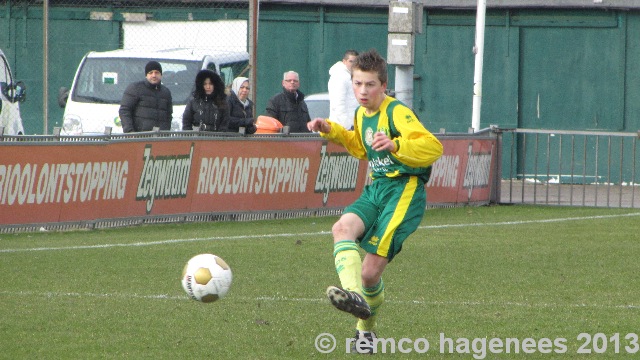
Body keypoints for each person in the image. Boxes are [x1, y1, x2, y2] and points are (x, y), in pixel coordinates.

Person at [307, 49, 443, 354]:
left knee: (370, 272)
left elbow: (433, 147)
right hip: (377, 187)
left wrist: (396, 144)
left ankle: (364, 331)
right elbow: (361, 148)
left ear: (383, 86)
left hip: (404, 191)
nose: (363, 91)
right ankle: (354, 297)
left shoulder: (396, 112)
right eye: (357, 84)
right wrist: (333, 131)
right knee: (342, 229)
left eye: (370, 85)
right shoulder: (360, 113)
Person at [119, 61, 173, 133]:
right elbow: (124, 111)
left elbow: (169, 115)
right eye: (150, 73)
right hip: (140, 137)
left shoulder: (166, 92)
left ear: (161, 75)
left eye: (157, 72)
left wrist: (166, 131)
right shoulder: (135, 88)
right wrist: (130, 132)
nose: (154, 75)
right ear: (146, 75)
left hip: (161, 138)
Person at [328, 50, 359, 130]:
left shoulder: (351, 76)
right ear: (344, 61)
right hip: (344, 127)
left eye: (356, 62)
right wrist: (347, 126)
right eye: (351, 61)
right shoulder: (340, 76)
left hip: (353, 124)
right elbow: (338, 104)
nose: (353, 64)